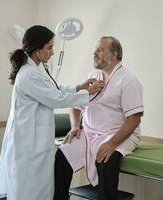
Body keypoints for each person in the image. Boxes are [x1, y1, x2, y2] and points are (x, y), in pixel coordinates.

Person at [0, 25, 104, 200]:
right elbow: (56, 99)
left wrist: (79, 87)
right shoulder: (29, 75)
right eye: (49, 47)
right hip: (29, 145)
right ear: (37, 50)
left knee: (39, 190)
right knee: (30, 191)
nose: (52, 52)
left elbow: (54, 89)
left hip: (36, 143)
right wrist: (87, 93)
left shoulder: (34, 71)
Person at [54, 36, 144, 200]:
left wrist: (112, 143)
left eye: (100, 49)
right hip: (90, 133)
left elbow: (134, 120)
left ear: (114, 54)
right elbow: (75, 105)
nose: (94, 52)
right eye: (96, 49)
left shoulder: (128, 80)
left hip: (119, 133)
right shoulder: (93, 76)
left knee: (105, 159)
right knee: (63, 155)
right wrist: (75, 127)